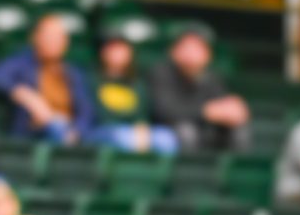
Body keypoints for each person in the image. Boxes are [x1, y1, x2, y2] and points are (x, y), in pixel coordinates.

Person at [0, 14, 95, 143]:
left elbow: (86, 111)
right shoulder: (23, 63)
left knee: (117, 135)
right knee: (57, 126)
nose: (52, 42)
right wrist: (23, 93)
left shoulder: (73, 73)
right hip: (34, 133)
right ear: (35, 37)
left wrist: (76, 131)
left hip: (70, 133)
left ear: (66, 42)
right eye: (48, 36)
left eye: (57, 37)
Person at [147, 23, 249, 152]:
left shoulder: (212, 77)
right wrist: (205, 111)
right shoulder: (161, 73)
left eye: (197, 48)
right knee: (186, 131)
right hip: (168, 131)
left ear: (208, 54)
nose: (191, 53)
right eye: (186, 47)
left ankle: (234, 169)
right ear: (173, 51)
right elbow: (164, 111)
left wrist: (232, 109)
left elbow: (221, 105)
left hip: (203, 129)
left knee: (237, 129)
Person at [90, 31, 178, 154]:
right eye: (113, 48)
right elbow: (98, 114)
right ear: (103, 52)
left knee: (165, 138)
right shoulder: (92, 80)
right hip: (103, 130)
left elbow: (142, 114)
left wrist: (142, 129)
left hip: (133, 130)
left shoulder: (137, 83)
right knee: (122, 138)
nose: (118, 53)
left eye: (122, 48)